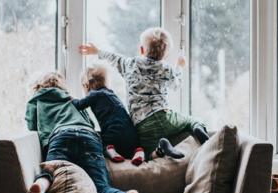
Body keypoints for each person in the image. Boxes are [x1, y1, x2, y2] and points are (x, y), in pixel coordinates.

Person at [25, 72, 142, 193]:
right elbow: (89, 122)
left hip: (60, 136)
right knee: (101, 187)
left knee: (50, 175)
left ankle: (40, 185)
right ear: (61, 85)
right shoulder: (71, 99)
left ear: (39, 86)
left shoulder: (36, 100)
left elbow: (32, 126)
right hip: (88, 136)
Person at [79, 27, 209, 159]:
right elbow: (176, 84)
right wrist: (180, 66)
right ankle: (198, 128)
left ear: (142, 49)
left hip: (142, 124)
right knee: (190, 121)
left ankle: (161, 147)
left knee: (146, 154)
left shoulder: (131, 64)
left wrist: (97, 51)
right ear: (166, 55)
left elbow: (114, 58)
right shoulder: (165, 69)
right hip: (164, 116)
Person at [72, 64, 183, 165]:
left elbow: (78, 105)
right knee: (137, 151)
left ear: (87, 85)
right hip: (131, 135)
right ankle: (141, 152)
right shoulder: (112, 94)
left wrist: (67, 97)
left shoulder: (94, 95)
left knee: (97, 139)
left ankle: (110, 150)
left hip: (112, 133)